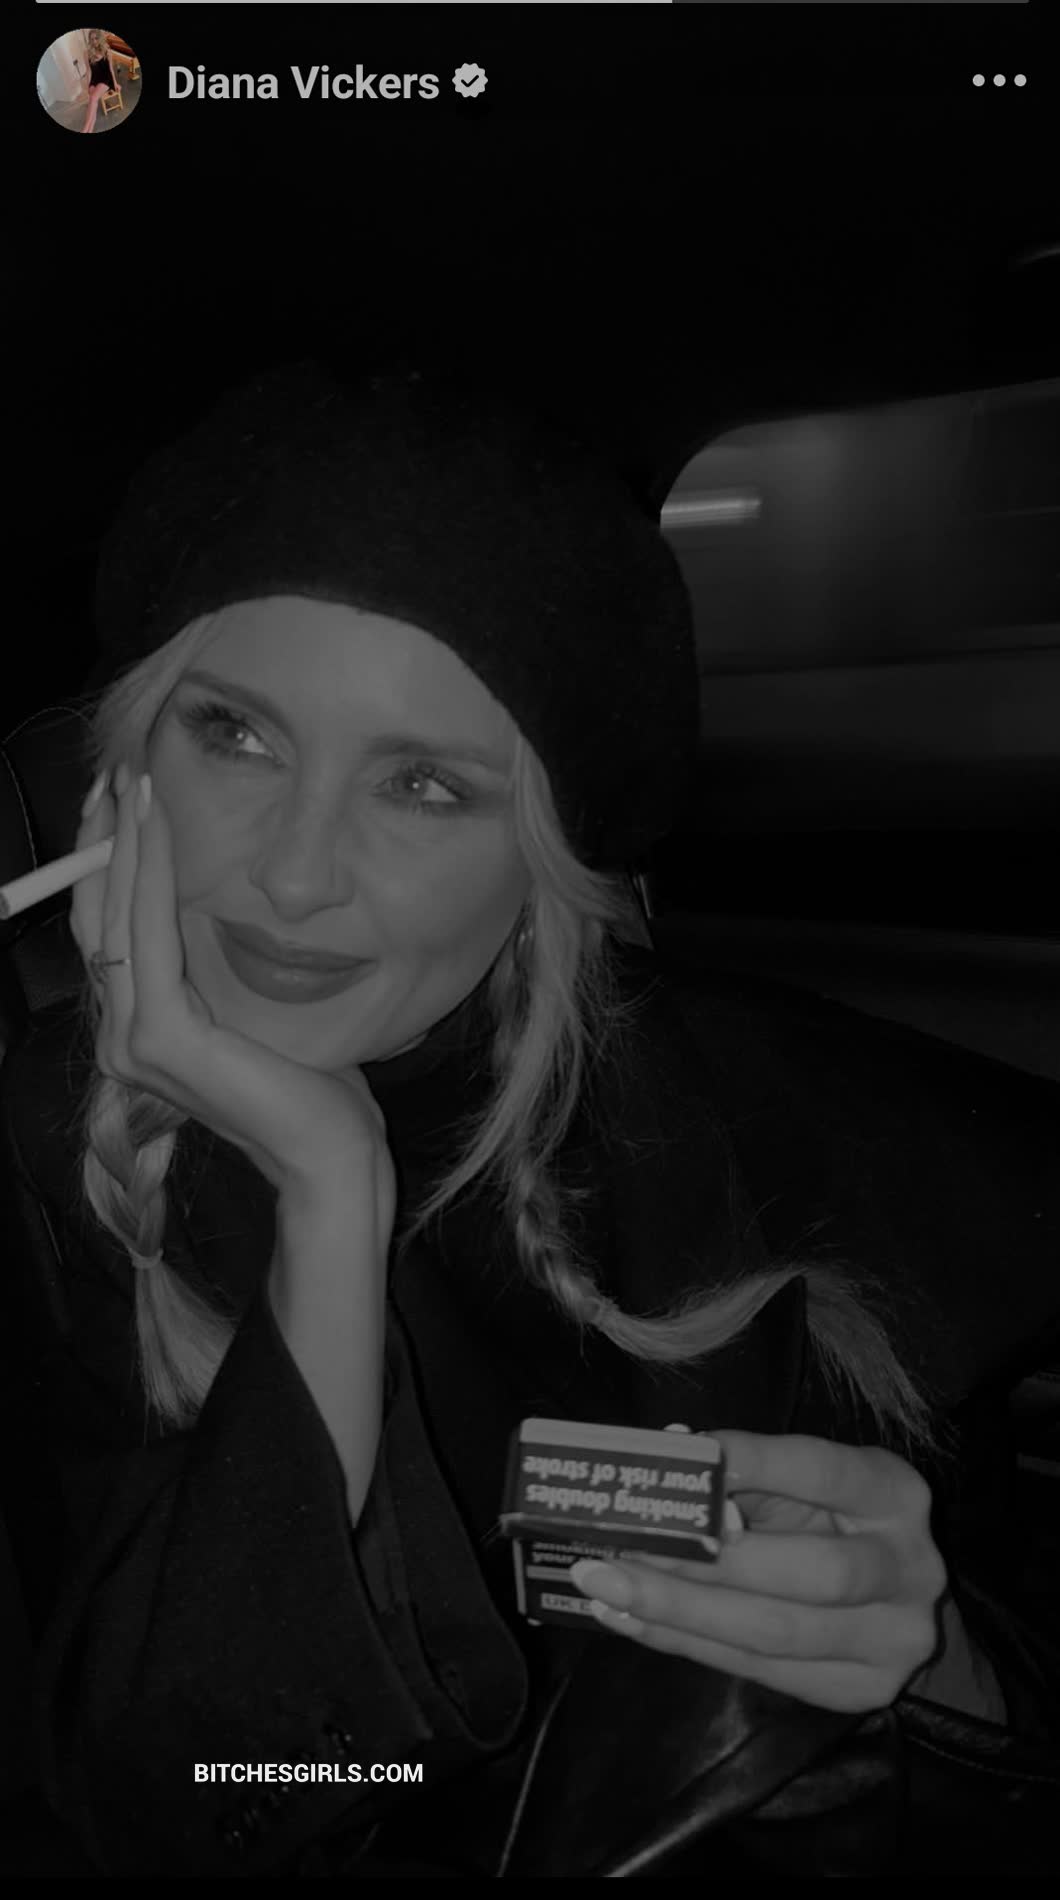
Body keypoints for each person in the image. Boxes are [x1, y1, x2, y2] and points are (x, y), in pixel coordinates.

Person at [0, 361, 1056, 1877]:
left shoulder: (752, 1122)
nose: (294, 875)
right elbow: (198, 1789)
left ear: (547, 859)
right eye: (236, 735)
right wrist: (329, 1195)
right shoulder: (63, 1149)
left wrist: (936, 1660)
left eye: (424, 787)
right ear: (129, 774)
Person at [79, 27, 118, 135]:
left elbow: (111, 69)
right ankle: (90, 130)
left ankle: (84, 129)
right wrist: (88, 85)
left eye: (96, 38)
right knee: (93, 101)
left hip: (105, 79)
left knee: (93, 98)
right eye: (92, 39)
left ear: (100, 38)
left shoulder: (107, 51)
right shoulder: (86, 53)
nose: (94, 41)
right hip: (94, 79)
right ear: (89, 40)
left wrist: (115, 83)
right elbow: (88, 71)